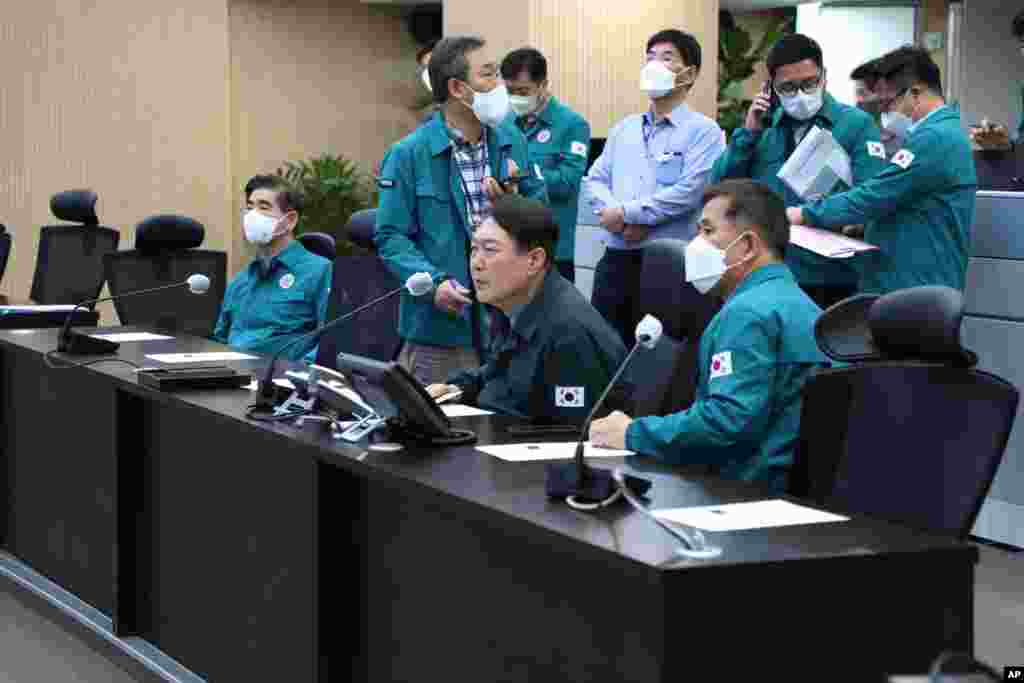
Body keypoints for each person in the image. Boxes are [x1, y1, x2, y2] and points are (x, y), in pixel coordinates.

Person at [589, 180, 828, 493]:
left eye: (708, 231)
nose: (695, 244)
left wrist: (633, 432)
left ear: (748, 246)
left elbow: (725, 422)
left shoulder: (748, 314)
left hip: (748, 494)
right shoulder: (799, 304)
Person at [375, 35, 548, 386]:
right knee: (435, 430)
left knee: (502, 432)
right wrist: (432, 284)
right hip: (443, 330)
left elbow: (543, 218)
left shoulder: (512, 141)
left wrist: (513, 208)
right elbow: (391, 237)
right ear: (457, 88)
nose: (500, 85)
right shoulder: (409, 154)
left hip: (510, 325)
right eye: (488, 75)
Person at [709, 33, 887, 309]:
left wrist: (810, 215)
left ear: (824, 76)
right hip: (767, 273)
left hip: (830, 277)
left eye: (810, 83)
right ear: (771, 89)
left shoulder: (855, 125)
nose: (801, 94)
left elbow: (872, 196)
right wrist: (748, 134)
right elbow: (719, 188)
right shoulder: (764, 130)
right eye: (789, 87)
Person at [787, 47, 976, 294]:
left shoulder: (935, 139)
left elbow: (876, 194)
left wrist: (804, 214)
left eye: (887, 103)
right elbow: (902, 202)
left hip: (918, 288)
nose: (884, 113)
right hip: (907, 284)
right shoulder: (936, 135)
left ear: (915, 93)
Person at [583, 29, 725, 348]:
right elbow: (595, 179)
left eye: (666, 57)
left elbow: (691, 191)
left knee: (658, 354)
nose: (653, 64)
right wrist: (616, 216)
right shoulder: (624, 129)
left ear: (689, 74)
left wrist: (630, 214)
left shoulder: (704, 132)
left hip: (667, 261)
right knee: (604, 345)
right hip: (616, 257)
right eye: (649, 57)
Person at [426, 195, 626, 421]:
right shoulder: (512, 304)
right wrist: (457, 390)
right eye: (474, 250)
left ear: (534, 260)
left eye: (490, 250)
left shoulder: (568, 332)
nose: (476, 263)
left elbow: (573, 434)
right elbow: (499, 374)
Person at [214, 176, 332, 360]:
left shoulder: (320, 271)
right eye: (250, 207)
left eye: (263, 207)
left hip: (285, 381)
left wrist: (297, 376)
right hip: (234, 377)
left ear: (290, 220)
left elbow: (332, 342)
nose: (252, 215)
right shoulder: (241, 280)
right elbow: (220, 340)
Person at [501, 47, 590, 283]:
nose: (516, 97)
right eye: (510, 91)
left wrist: (525, 174)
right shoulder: (504, 122)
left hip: (553, 248)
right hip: (510, 244)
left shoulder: (572, 124)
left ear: (543, 84)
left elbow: (568, 184)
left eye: (523, 91)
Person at [851, 58, 902, 158]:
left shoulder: (903, 130)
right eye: (857, 93)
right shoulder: (854, 134)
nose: (858, 101)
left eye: (862, 93)